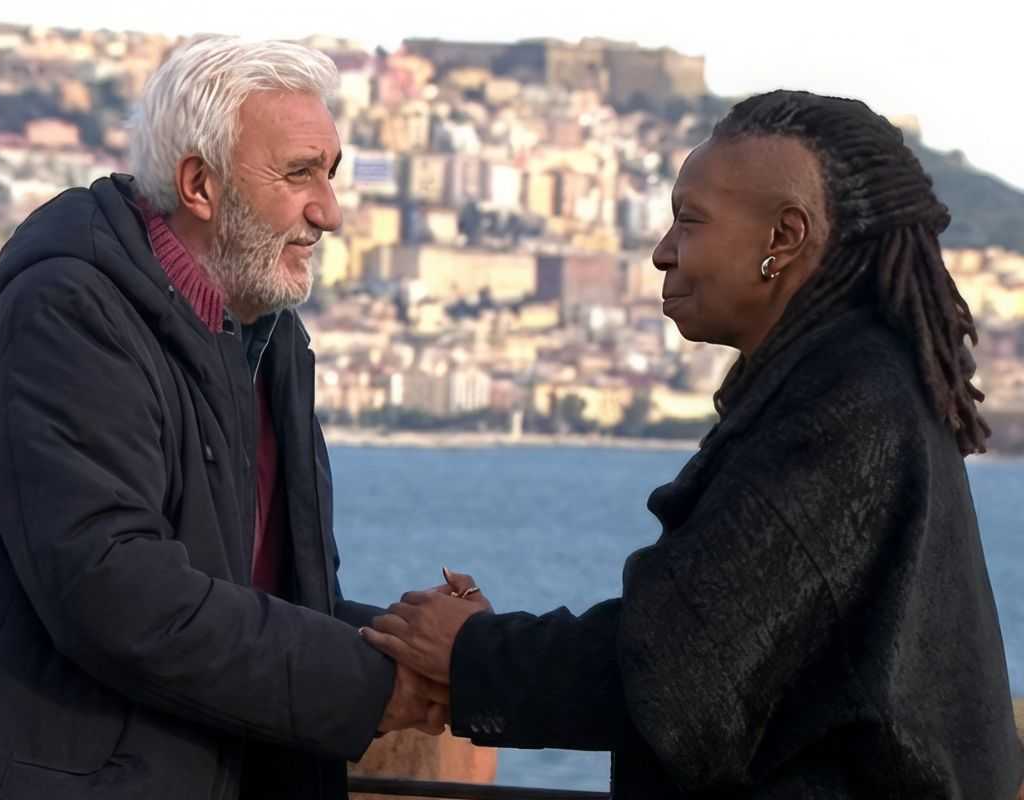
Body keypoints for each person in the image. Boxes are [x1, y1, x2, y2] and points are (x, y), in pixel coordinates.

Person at [362, 90, 1024, 797]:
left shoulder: (845, 403)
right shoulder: (851, 383)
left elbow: (682, 669)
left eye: (690, 220)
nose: (661, 252)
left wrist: (467, 651)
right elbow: (716, 643)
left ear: (783, 238)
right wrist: (480, 655)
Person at [0, 37, 445, 800]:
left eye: (330, 173)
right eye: (300, 174)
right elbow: (117, 593)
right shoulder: (66, 316)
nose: (328, 212)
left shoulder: (271, 344)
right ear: (199, 185)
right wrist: (376, 684)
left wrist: (432, 652)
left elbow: (263, 598)